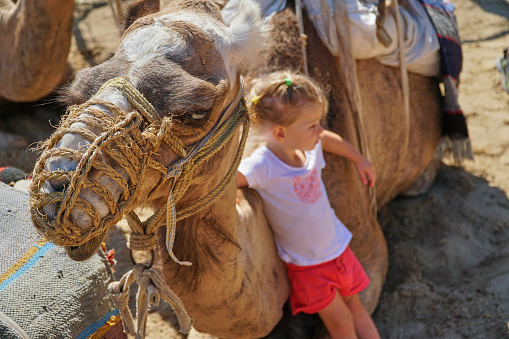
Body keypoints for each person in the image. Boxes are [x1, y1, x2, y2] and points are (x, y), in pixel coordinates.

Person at [237, 71, 380, 339]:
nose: (320, 130)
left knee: (358, 310)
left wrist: (359, 159)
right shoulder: (263, 165)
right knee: (341, 324)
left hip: (339, 250)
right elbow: (229, 181)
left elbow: (328, 139)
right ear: (280, 132)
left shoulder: (309, 147)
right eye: (312, 124)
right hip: (309, 266)